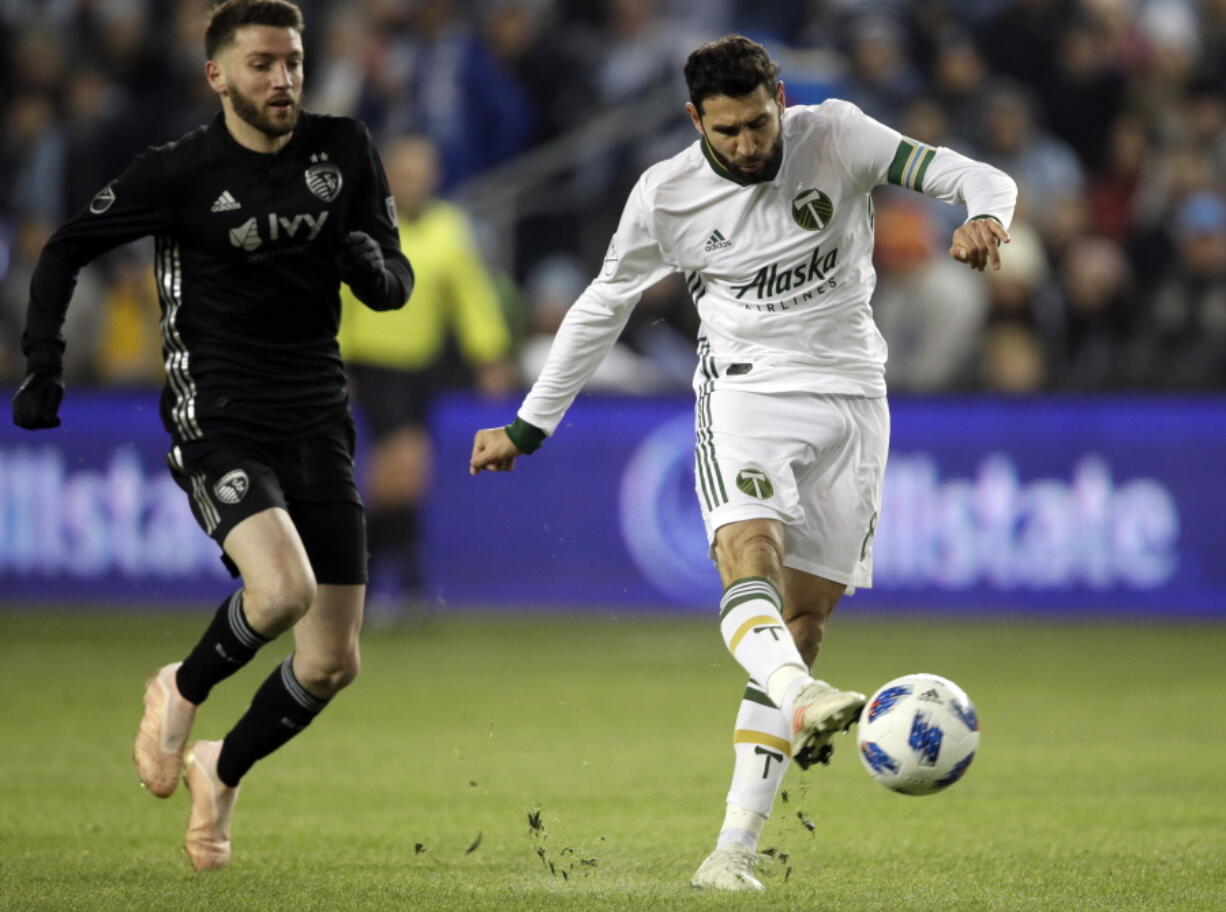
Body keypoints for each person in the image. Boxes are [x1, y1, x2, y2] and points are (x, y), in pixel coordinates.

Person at [469, 34, 1014, 892]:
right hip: (747, 393)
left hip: (854, 398)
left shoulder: (837, 136)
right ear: (696, 120)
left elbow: (980, 176)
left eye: (759, 123)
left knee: (802, 626)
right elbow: (600, 306)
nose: (747, 144)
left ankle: (732, 853)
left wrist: (988, 216)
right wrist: (529, 427)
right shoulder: (666, 196)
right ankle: (797, 699)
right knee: (744, 554)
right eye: (726, 131)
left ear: (781, 100)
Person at [11, 0, 413, 871]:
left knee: (334, 662)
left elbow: (394, 278)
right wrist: (45, 361)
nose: (283, 80)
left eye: (295, 62)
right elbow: (64, 248)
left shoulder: (342, 149)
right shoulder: (180, 171)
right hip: (219, 413)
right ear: (217, 76)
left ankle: (219, 768)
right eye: (263, 64)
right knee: (279, 593)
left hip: (318, 416)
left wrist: (370, 269)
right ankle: (180, 688)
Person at [339, 134, 513, 619]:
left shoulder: (449, 229)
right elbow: (340, 296)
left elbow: (471, 296)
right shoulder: (363, 225)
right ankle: (393, 585)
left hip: (422, 367)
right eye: (405, 173)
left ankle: (378, 585)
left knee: (400, 478)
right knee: (404, 467)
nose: (413, 182)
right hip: (373, 364)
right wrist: (336, 358)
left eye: (421, 173)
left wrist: (489, 354)